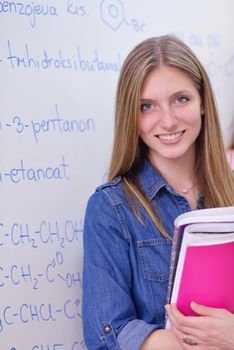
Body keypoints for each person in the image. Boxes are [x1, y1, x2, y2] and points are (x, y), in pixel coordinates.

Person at [82, 35, 234, 350]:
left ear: (203, 102)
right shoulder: (111, 208)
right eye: (147, 106)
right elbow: (107, 335)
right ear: (131, 116)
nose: (168, 120)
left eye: (181, 99)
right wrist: (207, 340)